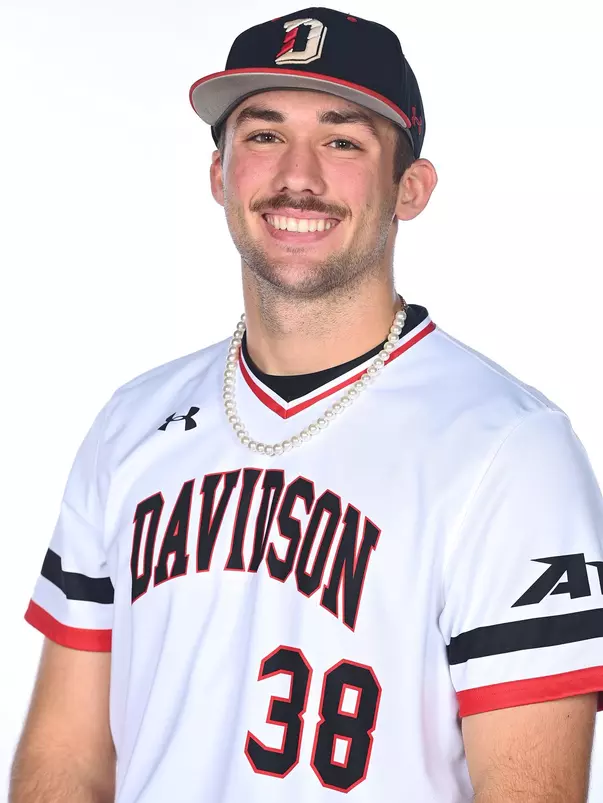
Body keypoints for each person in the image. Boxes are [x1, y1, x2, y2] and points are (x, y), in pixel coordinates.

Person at [10, 7, 603, 802]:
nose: (299, 175)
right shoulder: (129, 424)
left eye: (342, 140)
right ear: (219, 174)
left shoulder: (509, 448)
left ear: (410, 188)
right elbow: (65, 761)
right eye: (262, 135)